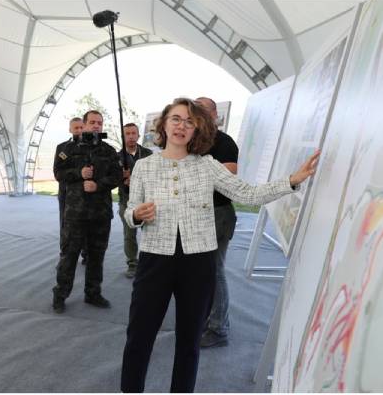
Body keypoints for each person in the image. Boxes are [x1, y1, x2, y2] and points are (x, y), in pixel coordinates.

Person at [120, 98, 320, 392]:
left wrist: (291, 180)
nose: (182, 126)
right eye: (176, 119)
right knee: (139, 336)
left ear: (196, 129)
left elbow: (248, 194)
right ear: (163, 124)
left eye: (189, 122)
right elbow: (129, 211)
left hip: (198, 263)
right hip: (154, 260)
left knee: (189, 342)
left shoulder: (207, 166)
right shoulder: (144, 166)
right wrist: (137, 214)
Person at [52, 110, 121, 313]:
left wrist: (98, 185)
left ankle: (93, 293)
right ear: (84, 125)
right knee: (69, 255)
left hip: (100, 213)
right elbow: (58, 173)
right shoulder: (66, 149)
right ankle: (60, 294)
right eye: (92, 122)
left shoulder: (109, 150)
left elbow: (117, 176)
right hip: (76, 213)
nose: (96, 126)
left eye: (100, 122)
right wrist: (78, 173)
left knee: (96, 256)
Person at [195, 97, 238, 348]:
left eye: (201, 107)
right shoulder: (194, 141)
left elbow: (229, 173)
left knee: (214, 271)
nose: (195, 111)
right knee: (202, 272)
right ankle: (208, 319)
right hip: (198, 215)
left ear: (214, 115)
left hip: (218, 214)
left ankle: (219, 329)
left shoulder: (224, 141)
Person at [118, 123, 152, 278]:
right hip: (126, 201)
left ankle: (150, 262)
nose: (131, 136)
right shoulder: (116, 157)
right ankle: (132, 263)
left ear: (138, 135)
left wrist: (137, 180)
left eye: (133, 133)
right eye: (127, 133)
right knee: (129, 234)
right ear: (123, 136)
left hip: (147, 201)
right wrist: (121, 179)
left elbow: (155, 176)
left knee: (151, 232)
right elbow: (110, 179)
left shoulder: (148, 154)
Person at [54, 117, 87, 263]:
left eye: (81, 127)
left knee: (87, 225)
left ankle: (86, 254)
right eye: (76, 128)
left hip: (87, 194)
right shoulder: (62, 148)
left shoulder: (92, 147)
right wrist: (79, 173)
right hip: (67, 195)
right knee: (66, 227)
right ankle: (65, 256)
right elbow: (58, 173)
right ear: (70, 130)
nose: (79, 130)